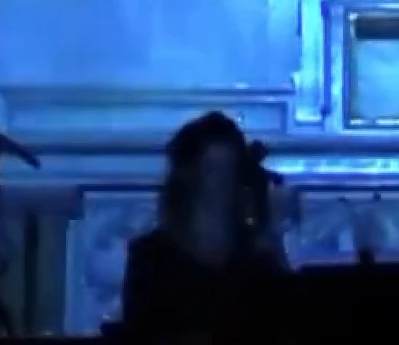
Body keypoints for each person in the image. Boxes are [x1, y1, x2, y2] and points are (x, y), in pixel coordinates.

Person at [118, 111, 289, 343]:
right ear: (189, 177)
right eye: (212, 170)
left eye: (229, 170)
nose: (222, 182)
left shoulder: (257, 258)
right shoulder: (151, 258)